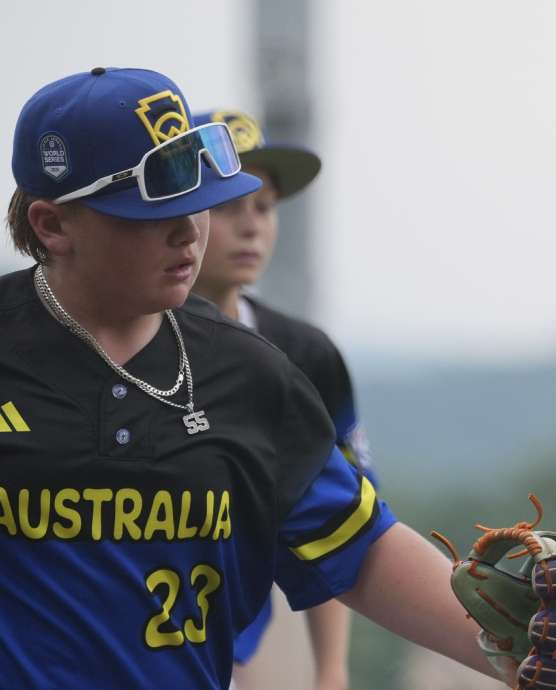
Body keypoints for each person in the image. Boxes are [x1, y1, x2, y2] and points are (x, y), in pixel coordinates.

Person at [0, 67, 511, 689]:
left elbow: (362, 549)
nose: (189, 230)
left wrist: (528, 651)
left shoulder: (251, 371)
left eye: (198, 201)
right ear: (53, 225)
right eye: (150, 211)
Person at [186, 108, 368, 690]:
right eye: (226, 205)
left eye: (263, 207)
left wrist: (331, 670)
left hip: (237, 641)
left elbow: (343, 524)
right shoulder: (120, 338)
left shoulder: (304, 355)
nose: (251, 226)